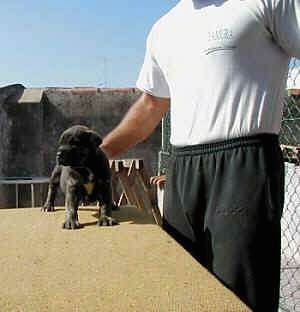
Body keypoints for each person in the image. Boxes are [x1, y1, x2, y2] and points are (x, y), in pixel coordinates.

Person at [101, 0, 300, 310]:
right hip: (183, 168)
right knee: (183, 286)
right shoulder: (164, 28)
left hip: (244, 164)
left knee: (241, 295)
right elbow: (151, 106)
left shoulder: (267, 2)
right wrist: (98, 155)